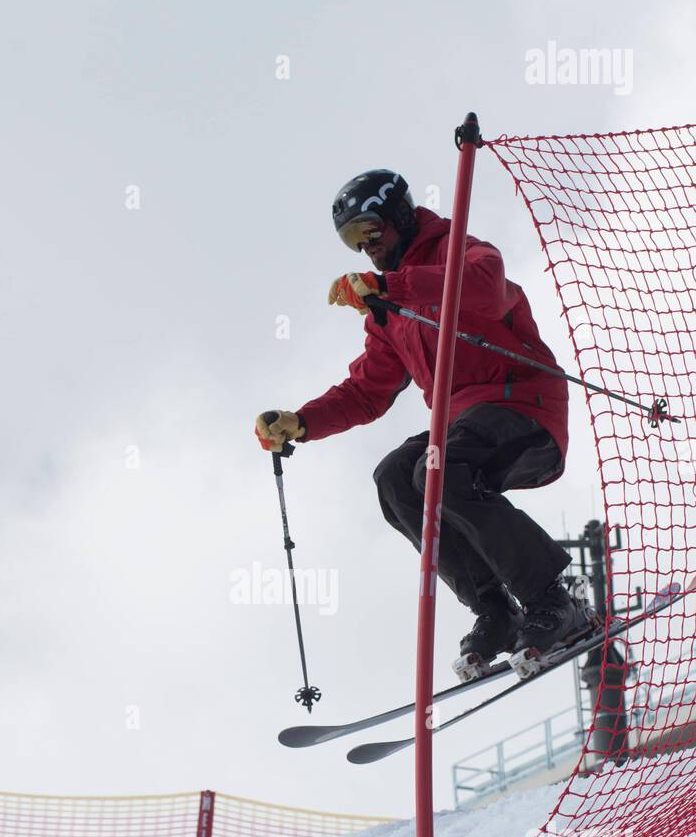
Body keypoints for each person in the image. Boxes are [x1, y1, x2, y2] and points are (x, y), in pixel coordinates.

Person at [255, 168, 595, 671]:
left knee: (438, 470)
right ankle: (494, 609)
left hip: (523, 405)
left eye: (370, 230)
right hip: (463, 426)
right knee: (395, 478)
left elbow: (483, 287)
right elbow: (367, 390)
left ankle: (553, 598)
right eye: (352, 240)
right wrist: (302, 422)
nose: (365, 246)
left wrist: (392, 284)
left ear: (399, 216)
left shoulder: (459, 253)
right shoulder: (386, 310)